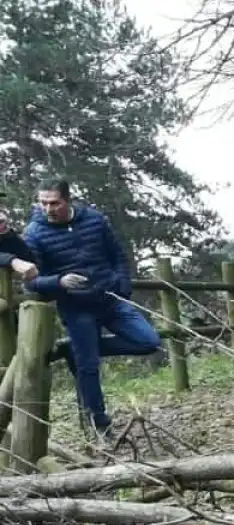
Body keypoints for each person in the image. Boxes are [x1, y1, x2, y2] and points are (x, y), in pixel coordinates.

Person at [21, 179, 163, 438]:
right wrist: (58, 282)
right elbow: (30, 283)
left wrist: (122, 286)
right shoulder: (33, 233)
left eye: (54, 203)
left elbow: (118, 256)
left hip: (110, 299)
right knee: (88, 365)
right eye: (43, 203)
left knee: (149, 341)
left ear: (68, 199)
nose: (48, 208)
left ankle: (72, 349)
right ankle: (100, 423)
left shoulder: (95, 220)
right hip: (76, 309)